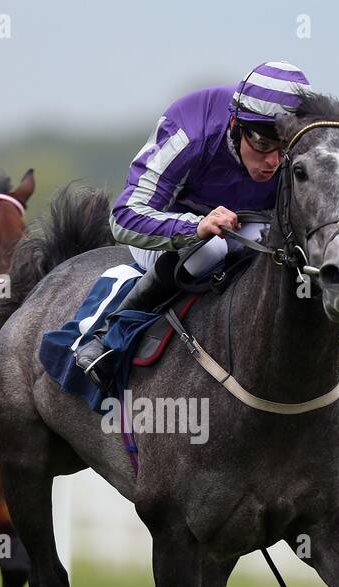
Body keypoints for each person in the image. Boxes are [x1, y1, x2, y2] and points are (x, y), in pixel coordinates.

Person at [73, 61, 311, 389]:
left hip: (246, 228)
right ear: (236, 124)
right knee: (210, 248)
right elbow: (124, 218)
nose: (272, 161)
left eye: (283, 149)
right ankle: (109, 333)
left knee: (273, 246)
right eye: (263, 145)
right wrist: (194, 228)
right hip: (163, 232)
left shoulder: (298, 153)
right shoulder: (190, 130)